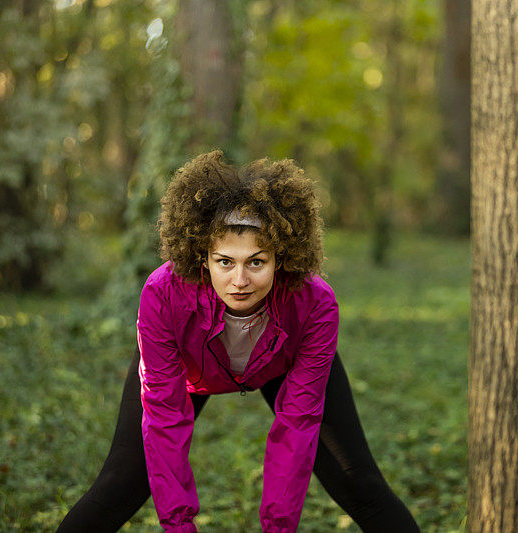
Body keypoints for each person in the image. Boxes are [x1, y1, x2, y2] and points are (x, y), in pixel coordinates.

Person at [57, 150, 420, 532]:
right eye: (225, 262)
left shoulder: (315, 303)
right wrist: (180, 527)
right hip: (187, 369)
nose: (240, 280)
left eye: (256, 262)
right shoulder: (162, 294)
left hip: (282, 362)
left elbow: (298, 424)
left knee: (358, 482)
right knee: (120, 484)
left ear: (281, 258)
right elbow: (164, 420)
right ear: (204, 257)